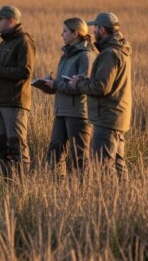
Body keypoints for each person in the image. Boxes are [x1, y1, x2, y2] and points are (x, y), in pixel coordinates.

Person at [69, 12, 132, 180]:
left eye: (95, 27)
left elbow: (101, 87)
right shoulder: (120, 50)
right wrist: (88, 80)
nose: (93, 31)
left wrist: (79, 84)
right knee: (118, 166)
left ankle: (108, 201)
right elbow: (107, 83)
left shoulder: (109, 54)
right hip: (117, 116)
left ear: (102, 30)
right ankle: (124, 200)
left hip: (107, 118)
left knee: (101, 167)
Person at [35, 18, 97, 178]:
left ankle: (83, 190)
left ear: (75, 33)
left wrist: (56, 84)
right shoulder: (66, 55)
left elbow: (82, 86)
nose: (61, 34)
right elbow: (65, 83)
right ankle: (57, 186)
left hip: (78, 112)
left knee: (78, 156)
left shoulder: (86, 56)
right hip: (61, 110)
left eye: (65, 31)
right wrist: (48, 84)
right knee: (54, 151)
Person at [0, 5, 36, 178]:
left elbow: (24, 72)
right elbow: (8, 69)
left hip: (15, 102)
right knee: (2, 146)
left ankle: (21, 185)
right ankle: (8, 182)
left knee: (17, 145)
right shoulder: (4, 42)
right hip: (0, 102)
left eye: (0, 20)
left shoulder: (24, 42)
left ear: (10, 21)